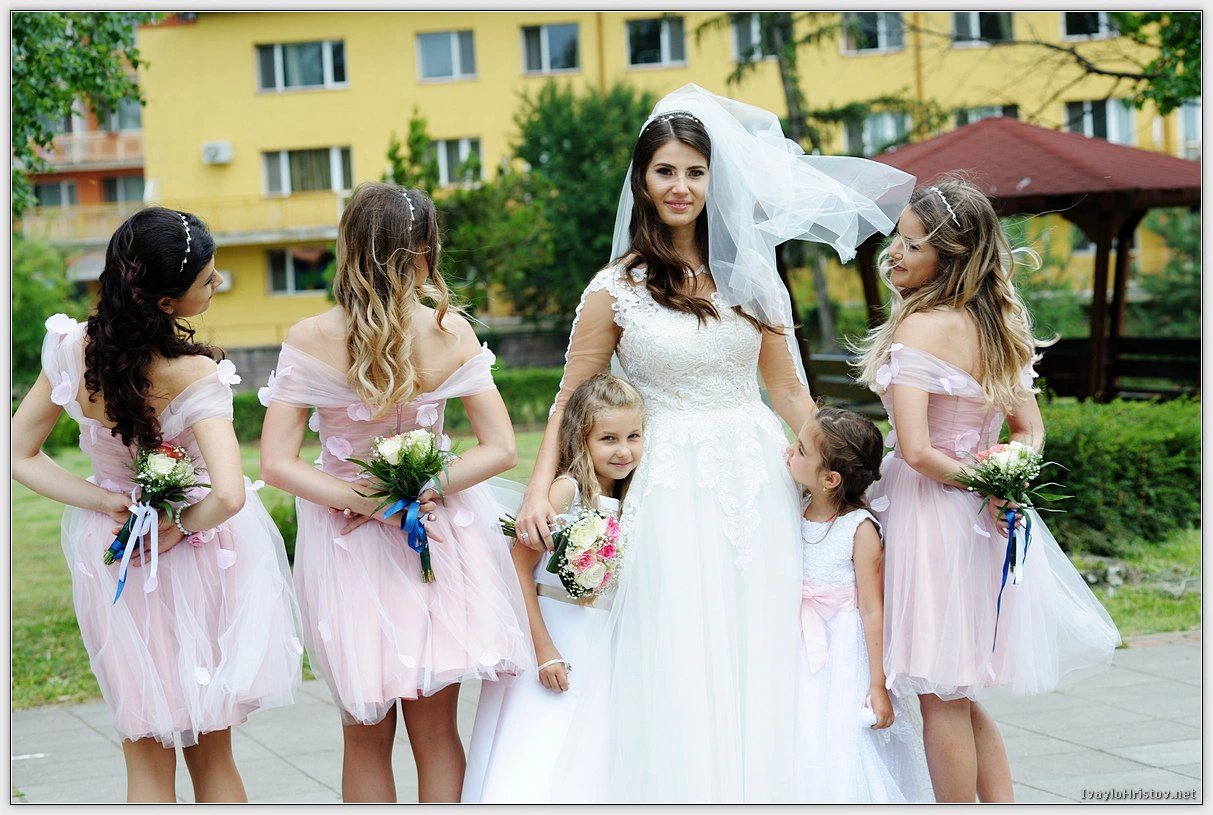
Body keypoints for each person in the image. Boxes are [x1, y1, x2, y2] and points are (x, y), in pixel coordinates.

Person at [512, 83, 915, 802]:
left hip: (756, 481)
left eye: (695, 172)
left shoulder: (753, 280)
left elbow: (787, 392)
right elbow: (570, 397)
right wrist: (540, 489)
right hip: (665, 483)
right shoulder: (615, 289)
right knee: (676, 642)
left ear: (712, 181)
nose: (681, 186)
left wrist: (842, 463)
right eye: (665, 171)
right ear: (642, 181)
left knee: (759, 635)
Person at [11, 208, 302, 803]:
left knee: (143, 752)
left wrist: (105, 500)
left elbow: (17, 454)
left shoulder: (71, 350)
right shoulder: (196, 374)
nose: (218, 282)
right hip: (197, 556)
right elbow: (229, 494)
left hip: (116, 555)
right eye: (208, 278)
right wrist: (178, 528)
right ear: (167, 302)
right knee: (212, 754)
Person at [258, 182, 530, 803]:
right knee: (436, 733)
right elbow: (501, 448)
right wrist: (429, 486)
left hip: (346, 541)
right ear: (425, 250)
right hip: (435, 532)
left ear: (350, 246)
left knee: (364, 736)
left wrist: (364, 501)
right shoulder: (450, 333)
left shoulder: (309, 337)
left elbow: (276, 463)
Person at [855, 177, 1121, 802]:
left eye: (913, 245)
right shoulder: (1001, 326)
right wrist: (1001, 479)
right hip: (979, 521)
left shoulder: (921, 328)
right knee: (957, 691)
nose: (894, 253)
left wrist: (987, 480)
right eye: (897, 238)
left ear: (949, 256)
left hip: (927, 516)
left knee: (939, 695)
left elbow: (918, 451)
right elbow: (1029, 431)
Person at [463, 372, 645, 803]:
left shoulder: (635, 496)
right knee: (543, 737)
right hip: (555, 632)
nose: (624, 450)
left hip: (600, 638)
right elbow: (518, 569)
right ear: (582, 438)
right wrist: (544, 650)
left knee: (588, 745)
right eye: (608, 439)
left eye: (633, 436)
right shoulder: (566, 492)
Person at [785, 408, 934, 803]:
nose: (789, 451)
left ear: (830, 479)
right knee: (803, 729)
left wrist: (877, 684)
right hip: (799, 641)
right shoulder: (795, 507)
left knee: (841, 738)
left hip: (843, 652)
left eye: (801, 449)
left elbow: (871, 608)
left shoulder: (860, 529)